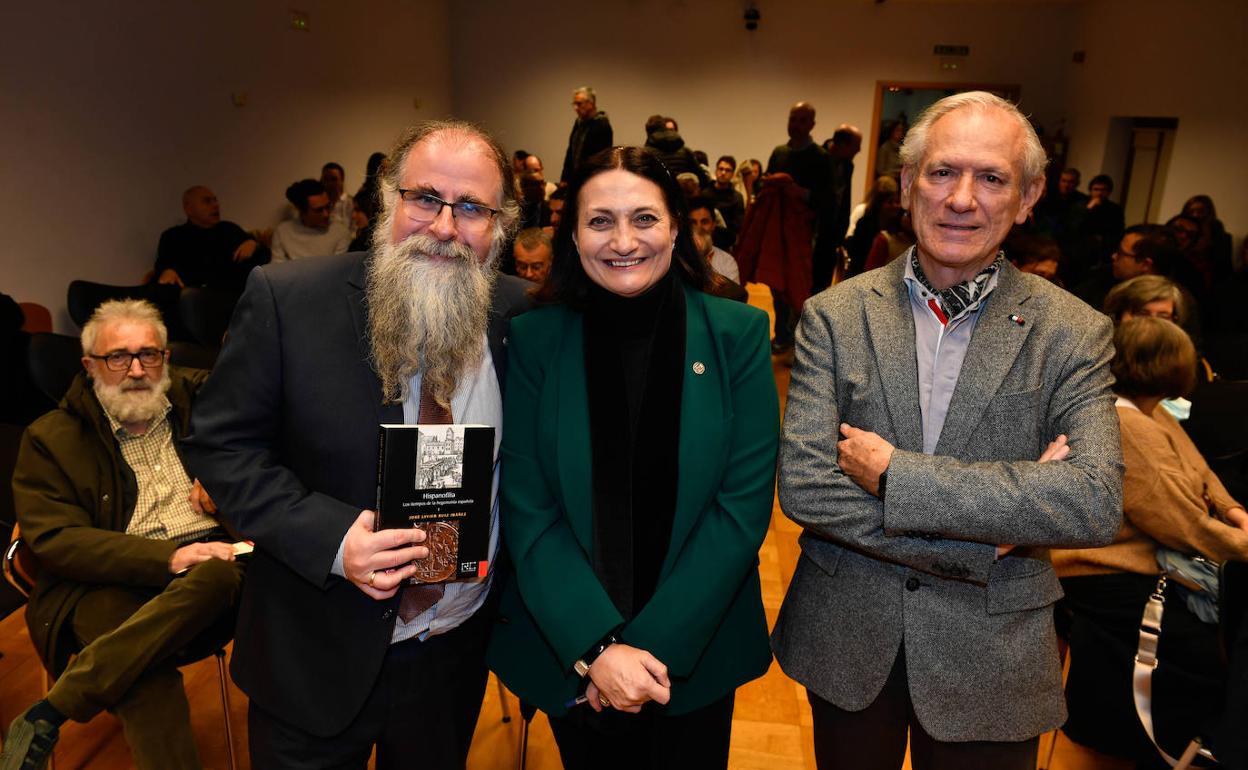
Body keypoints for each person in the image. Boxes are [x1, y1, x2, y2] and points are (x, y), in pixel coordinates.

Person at [772, 91, 1124, 770]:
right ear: (908, 184)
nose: (962, 199)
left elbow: (1091, 501)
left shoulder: (1073, 332)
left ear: (1027, 198)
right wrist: (986, 538)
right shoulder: (835, 316)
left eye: (991, 177)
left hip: (994, 654)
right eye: (942, 172)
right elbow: (808, 489)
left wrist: (895, 474)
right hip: (848, 638)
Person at [179, 120, 530, 768]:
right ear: (388, 198)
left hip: (454, 654)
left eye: (471, 208)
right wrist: (333, 540)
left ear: (500, 224)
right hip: (313, 655)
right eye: (425, 198)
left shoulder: (525, 317)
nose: (444, 226)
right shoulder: (288, 300)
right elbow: (221, 446)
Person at [487, 146, 779, 770]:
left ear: (675, 226)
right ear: (573, 235)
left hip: (695, 654)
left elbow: (741, 509)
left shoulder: (738, 335)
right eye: (600, 221)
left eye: (644, 218)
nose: (624, 241)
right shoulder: (535, 339)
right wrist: (598, 649)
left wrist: (646, 649)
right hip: (571, 650)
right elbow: (529, 506)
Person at [2, 299, 245, 770]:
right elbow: (56, 539)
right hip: (107, 580)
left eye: (148, 354)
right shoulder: (50, 438)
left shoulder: (206, 405)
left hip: (219, 573)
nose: (136, 370)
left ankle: (54, 709)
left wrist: (228, 478)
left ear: (166, 358)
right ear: (89, 365)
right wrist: (168, 559)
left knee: (216, 575)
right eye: (118, 357)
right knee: (142, 673)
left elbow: (273, 417)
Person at [1053, 317, 1248, 767]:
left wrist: (1235, 512)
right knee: (1221, 645)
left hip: (1154, 558)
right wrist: (1241, 546)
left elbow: (1200, 473)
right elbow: (1182, 524)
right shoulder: (1124, 424)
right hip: (1108, 574)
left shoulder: (1149, 410)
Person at [154, 185, 269, 292]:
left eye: (215, 200)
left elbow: (265, 257)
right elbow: (163, 264)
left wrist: (254, 245)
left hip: (234, 293)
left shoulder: (229, 229)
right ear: (188, 209)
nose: (215, 205)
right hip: (194, 294)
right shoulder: (173, 236)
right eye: (207, 201)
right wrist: (167, 271)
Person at [270, 178, 351, 261]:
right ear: (302, 211)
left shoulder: (340, 232)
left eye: (328, 207)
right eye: (318, 210)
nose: (326, 214)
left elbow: (338, 267)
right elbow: (277, 266)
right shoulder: (283, 231)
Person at [560, 86, 613, 183]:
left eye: (579, 104)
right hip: (575, 178)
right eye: (574, 104)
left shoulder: (602, 125)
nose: (576, 108)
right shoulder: (579, 123)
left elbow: (602, 158)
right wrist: (564, 178)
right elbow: (571, 151)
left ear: (590, 104)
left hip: (591, 179)